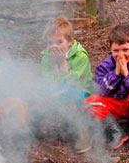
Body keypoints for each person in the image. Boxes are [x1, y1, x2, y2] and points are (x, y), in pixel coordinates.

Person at [84, 23, 129, 151]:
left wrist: (127, 74)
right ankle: (116, 132)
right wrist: (115, 74)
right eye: (116, 51)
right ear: (110, 49)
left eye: (125, 50)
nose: (120, 54)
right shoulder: (106, 65)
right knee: (90, 102)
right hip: (114, 105)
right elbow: (100, 91)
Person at [40, 16, 94, 154]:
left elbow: (73, 82)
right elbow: (46, 83)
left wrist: (63, 64)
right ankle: (45, 133)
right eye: (50, 43)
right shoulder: (46, 57)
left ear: (70, 41)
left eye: (59, 42)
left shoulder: (80, 56)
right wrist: (53, 66)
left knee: (70, 95)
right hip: (57, 91)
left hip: (81, 92)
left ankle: (83, 135)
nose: (54, 47)